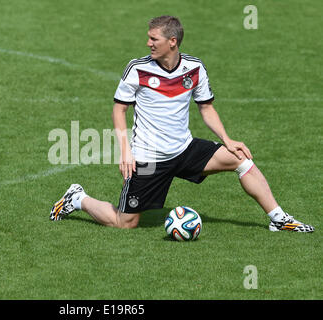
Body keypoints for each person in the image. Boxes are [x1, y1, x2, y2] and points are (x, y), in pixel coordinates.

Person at [49, 15, 314, 233]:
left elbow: (206, 108)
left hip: (185, 149)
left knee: (240, 157)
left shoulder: (194, 68)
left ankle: (278, 219)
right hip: (149, 158)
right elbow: (119, 111)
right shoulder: (137, 69)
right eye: (149, 37)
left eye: (154, 39)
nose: (148, 43)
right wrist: (125, 151)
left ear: (172, 42)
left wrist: (227, 139)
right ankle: (78, 198)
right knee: (125, 222)